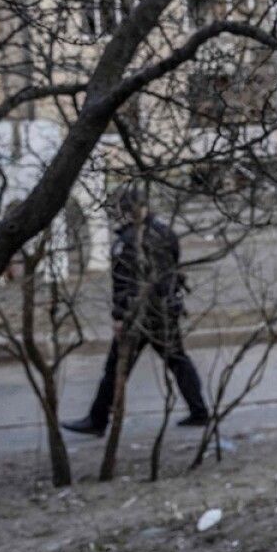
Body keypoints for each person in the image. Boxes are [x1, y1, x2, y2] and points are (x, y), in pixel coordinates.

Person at [62, 186, 210, 434]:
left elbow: (124, 284)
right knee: (177, 360)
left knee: (116, 368)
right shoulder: (164, 233)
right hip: (164, 309)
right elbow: (172, 267)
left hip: (139, 314)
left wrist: (120, 317)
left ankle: (98, 419)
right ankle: (199, 411)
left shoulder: (128, 241)